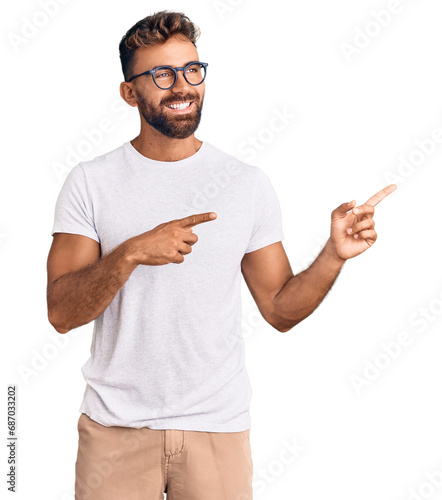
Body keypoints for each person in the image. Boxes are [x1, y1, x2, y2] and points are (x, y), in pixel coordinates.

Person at [46, 10, 397, 500]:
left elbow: (279, 309)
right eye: (162, 75)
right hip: (115, 433)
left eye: (192, 70)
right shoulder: (90, 182)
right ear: (130, 92)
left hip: (218, 430)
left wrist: (333, 256)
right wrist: (129, 254)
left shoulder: (245, 184)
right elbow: (61, 313)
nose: (182, 86)